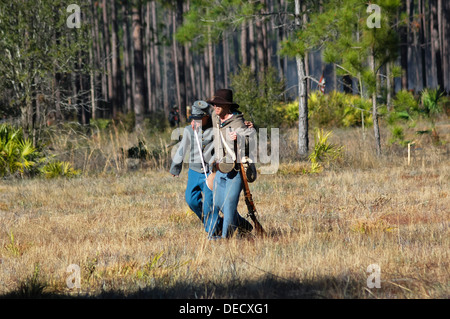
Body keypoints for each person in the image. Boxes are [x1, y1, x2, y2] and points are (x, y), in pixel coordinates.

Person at [204, 89, 255, 239]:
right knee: (219, 204)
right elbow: (205, 120)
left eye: (218, 104)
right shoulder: (215, 116)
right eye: (214, 104)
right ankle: (244, 226)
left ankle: (225, 239)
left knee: (229, 206)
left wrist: (239, 137)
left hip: (235, 171)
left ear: (227, 106)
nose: (215, 107)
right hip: (220, 169)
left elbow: (249, 142)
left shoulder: (238, 122)